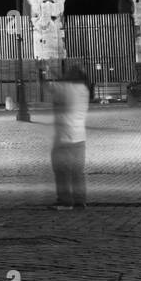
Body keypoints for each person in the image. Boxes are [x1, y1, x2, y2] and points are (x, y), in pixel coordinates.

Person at [49, 66, 90, 210]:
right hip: (80, 138)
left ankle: (65, 201)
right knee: (78, 172)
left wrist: (43, 71)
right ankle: (80, 201)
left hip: (64, 138)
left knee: (61, 170)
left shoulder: (64, 88)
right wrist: (54, 72)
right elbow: (61, 83)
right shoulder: (84, 90)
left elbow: (49, 86)